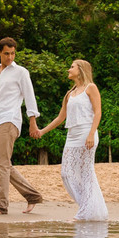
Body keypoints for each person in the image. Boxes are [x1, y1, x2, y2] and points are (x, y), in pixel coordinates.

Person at [0, 37, 43, 215]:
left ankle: (1, 206)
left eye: (13, 53)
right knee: (3, 164)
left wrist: (32, 122)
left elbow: (30, 97)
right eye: (6, 54)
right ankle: (32, 195)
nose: (10, 57)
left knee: (2, 164)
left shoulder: (21, 72)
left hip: (10, 119)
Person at [37, 59, 108, 221]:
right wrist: (42, 131)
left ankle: (85, 212)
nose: (69, 70)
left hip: (86, 133)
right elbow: (61, 117)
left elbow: (98, 113)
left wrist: (91, 134)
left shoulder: (91, 88)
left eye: (72, 67)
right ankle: (89, 208)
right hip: (72, 136)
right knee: (66, 173)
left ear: (81, 70)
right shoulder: (69, 93)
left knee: (86, 173)